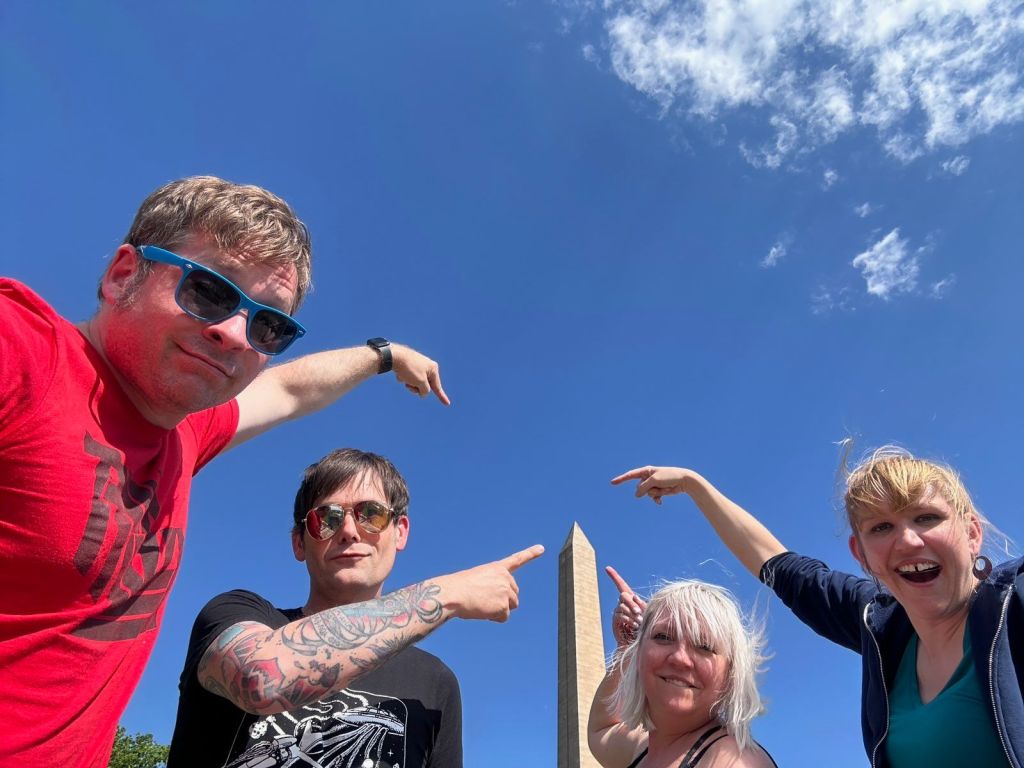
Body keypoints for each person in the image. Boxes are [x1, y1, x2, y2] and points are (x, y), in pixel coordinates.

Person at [0, 176, 450, 767]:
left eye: (268, 326)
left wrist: (384, 355)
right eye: (209, 290)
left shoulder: (184, 435)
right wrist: (452, 594)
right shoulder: (25, 353)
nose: (233, 334)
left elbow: (289, 390)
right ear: (123, 274)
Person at [612, 447, 1024, 768]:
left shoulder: (1015, 603)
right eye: (881, 527)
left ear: (972, 533)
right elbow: (777, 565)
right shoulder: (880, 625)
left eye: (927, 517)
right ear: (861, 554)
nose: (908, 541)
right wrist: (694, 484)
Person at [168, 447, 543, 767]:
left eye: (371, 514)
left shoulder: (435, 681)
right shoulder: (236, 613)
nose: (349, 531)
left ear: (400, 531)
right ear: (299, 542)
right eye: (326, 519)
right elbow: (260, 678)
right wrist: (447, 593)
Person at [589, 568, 776, 768]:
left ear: (731, 673)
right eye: (663, 637)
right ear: (639, 653)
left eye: (705, 647)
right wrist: (626, 648)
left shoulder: (735, 762)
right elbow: (601, 729)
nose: (680, 658)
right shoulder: (644, 748)